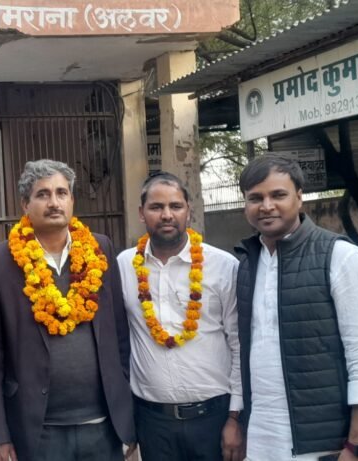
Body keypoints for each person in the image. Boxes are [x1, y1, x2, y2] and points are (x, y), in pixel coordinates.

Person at [234, 154, 358, 461]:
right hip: (261, 440)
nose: (266, 206)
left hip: (322, 445)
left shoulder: (341, 257)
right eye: (255, 198)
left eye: (278, 195)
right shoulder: (247, 264)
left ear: (300, 197)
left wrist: (357, 446)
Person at [0, 159, 135, 461]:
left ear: (72, 200)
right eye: (43, 194)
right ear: (25, 204)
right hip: (37, 430)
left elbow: (119, 335)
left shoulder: (99, 248)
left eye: (62, 193)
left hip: (103, 426)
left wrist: (125, 419)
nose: (54, 202)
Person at [116, 172, 244, 461]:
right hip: (152, 423)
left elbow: (238, 343)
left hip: (214, 419)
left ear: (189, 211)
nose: (166, 215)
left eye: (175, 206)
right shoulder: (124, 266)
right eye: (156, 207)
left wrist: (235, 417)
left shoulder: (223, 266)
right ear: (141, 213)